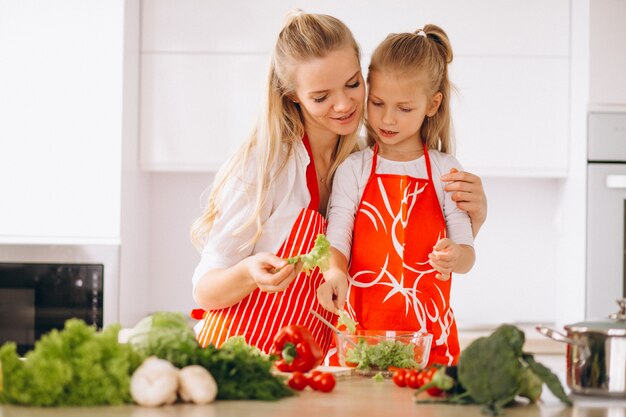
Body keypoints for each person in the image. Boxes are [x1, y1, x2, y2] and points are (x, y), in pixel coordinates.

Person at [190, 11, 487, 355]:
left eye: (352, 84)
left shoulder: (362, 159)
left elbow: (406, 254)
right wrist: (248, 274)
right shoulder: (264, 166)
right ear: (292, 96)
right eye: (321, 97)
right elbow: (204, 290)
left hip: (306, 363)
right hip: (237, 356)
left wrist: (473, 218)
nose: (344, 104)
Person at [319, 24, 476, 366]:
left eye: (404, 108)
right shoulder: (355, 169)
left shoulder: (444, 170)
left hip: (428, 341)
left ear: (432, 104)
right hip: (361, 337)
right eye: (377, 103)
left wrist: (456, 256)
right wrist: (334, 273)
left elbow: (466, 250)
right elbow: (338, 235)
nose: (387, 119)